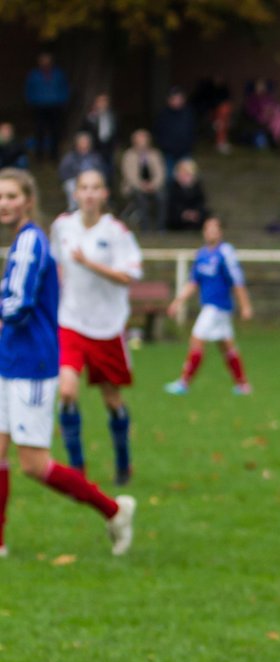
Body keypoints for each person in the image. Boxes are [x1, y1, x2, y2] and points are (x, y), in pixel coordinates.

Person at [0, 168, 135, 557]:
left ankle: (113, 511)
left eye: (12, 196)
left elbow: (19, 305)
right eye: (1, 197)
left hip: (31, 365)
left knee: (34, 464)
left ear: (28, 201)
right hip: (11, 360)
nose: (5, 204)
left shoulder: (30, 242)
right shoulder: (26, 242)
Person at [49, 168, 141, 486]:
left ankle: (123, 462)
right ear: (75, 194)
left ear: (104, 194)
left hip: (106, 327)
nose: (89, 194)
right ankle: (77, 470)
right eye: (83, 188)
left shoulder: (117, 232)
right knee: (67, 391)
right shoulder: (62, 226)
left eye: (95, 188)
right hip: (70, 321)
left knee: (112, 400)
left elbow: (128, 276)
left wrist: (89, 263)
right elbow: (55, 267)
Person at [164, 216, 253, 395]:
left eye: (214, 229)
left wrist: (245, 305)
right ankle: (243, 385)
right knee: (226, 345)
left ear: (220, 232)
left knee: (196, 339)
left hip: (218, 306)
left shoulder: (225, 252)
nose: (211, 232)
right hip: (211, 307)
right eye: (207, 229)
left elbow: (237, 280)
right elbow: (193, 282)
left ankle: (184, 383)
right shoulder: (202, 254)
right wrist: (178, 301)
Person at [24, 53, 69, 162]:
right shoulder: (34, 74)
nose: (45, 63)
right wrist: (33, 101)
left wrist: (61, 100)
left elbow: (65, 87)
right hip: (39, 106)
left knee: (55, 131)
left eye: (47, 60)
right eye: (43, 60)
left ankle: (54, 155)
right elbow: (28, 89)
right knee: (39, 131)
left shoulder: (58, 73)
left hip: (55, 106)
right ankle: (39, 156)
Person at [119, 129, 165, 233]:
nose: (142, 143)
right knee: (141, 198)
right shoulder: (128, 155)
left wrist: (153, 185)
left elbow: (160, 173)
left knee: (161, 197)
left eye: (144, 140)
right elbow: (129, 176)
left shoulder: (155, 154)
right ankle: (145, 228)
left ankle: (160, 228)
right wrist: (141, 186)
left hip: (153, 187)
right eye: (139, 140)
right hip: (133, 188)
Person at [153, 88, 197, 177]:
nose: (177, 101)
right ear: (169, 100)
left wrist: (190, 144)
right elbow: (158, 132)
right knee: (169, 176)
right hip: (168, 153)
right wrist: (164, 145)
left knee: (187, 176)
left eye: (179, 99)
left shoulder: (189, 113)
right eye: (174, 99)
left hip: (185, 151)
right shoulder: (163, 115)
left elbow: (193, 130)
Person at [57, 132, 106, 211]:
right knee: (70, 186)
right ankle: (73, 209)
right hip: (75, 181)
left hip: (92, 181)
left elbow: (101, 172)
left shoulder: (95, 157)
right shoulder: (69, 157)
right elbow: (63, 173)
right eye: (82, 142)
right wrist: (78, 178)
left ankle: (94, 209)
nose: (84, 144)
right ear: (77, 144)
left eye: (86, 142)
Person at [80, 94, 118, 184]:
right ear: (96, 103)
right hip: (95, 148)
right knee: (96, 169)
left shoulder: (113, 116)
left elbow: (116, 132)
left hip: (109, 147)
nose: (102, 104)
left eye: (105, 101)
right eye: (100, 102)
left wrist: (115, 145)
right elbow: (84, 132)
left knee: (109, 170)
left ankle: (108, 189)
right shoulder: (91, 117)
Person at [191, 75, 233, 155]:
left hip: (222, 111)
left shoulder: (224, 90)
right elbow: (210, 102)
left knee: (223, 126)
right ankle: (219, 143)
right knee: (219, 126)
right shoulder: (211, 90)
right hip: (216, 111)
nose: (218, 80)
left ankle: (223, 142)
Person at [243, 77, 280, 149]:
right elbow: (251, 110)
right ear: (255, 87)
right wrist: (262, 112)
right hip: (260, 116)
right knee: (273, 121)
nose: (260, 88)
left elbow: (274, 105)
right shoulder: (252, 98)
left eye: (262, 86)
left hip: (271, 115)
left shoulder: (267, 97)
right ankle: (274, 140)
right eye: (258, 86)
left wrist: (273, 110)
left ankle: (276, 139)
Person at [165, 158, 207, 232]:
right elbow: (172, 206)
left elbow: (201, 203)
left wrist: (194, 213)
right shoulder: (173, 188)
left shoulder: (197, 188)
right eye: (183, 174)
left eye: (188, 174)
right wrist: (184, 214)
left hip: (194, 218)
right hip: (178, 219)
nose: (185, 177)